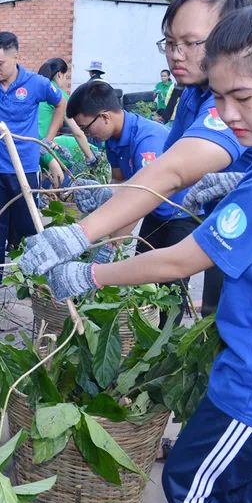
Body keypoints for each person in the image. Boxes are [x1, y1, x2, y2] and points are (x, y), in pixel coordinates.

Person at [41, 3, 252, 503]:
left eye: (242, 98)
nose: (227, 114)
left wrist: (90, 276)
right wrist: (240, 188)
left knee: (191, 488)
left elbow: (184, 259)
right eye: (220, 97)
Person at [19, 0, 252, 323]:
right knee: (217, 317)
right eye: (169, 42)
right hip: (226, 225)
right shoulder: (193, 95)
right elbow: (164, 173)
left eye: (190, 43)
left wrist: (81, 236)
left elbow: (172, 175)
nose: (176, 53)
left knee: (208, 312)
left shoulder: (228, 101)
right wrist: (111, 195)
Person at [66, 80, 197, 322]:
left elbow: (140, 199)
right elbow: (118, 181)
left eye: (86, 129)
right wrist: (101, 201)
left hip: (181, 213)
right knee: (143, 273)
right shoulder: (113, 139)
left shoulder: (147, 140)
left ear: (104, 117)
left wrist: (110, 243)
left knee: (171, 286)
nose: (87, 136)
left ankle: (168, 342)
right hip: (156, 213)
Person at [0, 31, 67, 292]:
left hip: (24, 167)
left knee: (30, 225)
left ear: (16, 57)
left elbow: (60, 103)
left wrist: (47, 140)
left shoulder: (36, 83)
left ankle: (36, 281)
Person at [36, 58, 97, 165]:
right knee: (85, 148)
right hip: (42, 146)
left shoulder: (37, 88)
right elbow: (77, 132)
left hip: (31, 143)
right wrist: (90, 157)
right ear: (60, 74)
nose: (65, 80)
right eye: (66, 76)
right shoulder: (58, 94)